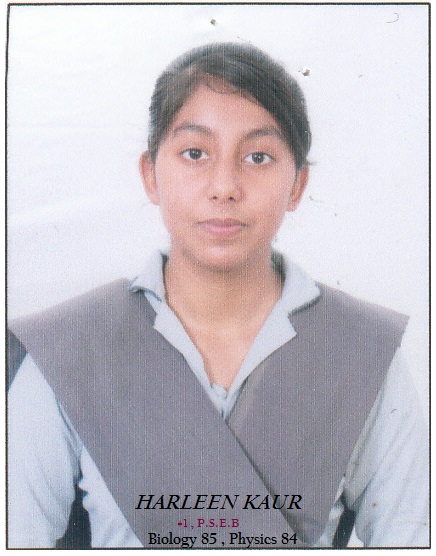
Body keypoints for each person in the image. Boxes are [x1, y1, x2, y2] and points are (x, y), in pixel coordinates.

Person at [7, 42, 428, 548]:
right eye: (195, 154)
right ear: (150, 175)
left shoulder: (362, 352)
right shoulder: (69, 349)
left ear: (298, 185)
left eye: (258, 157)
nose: (224, 186)